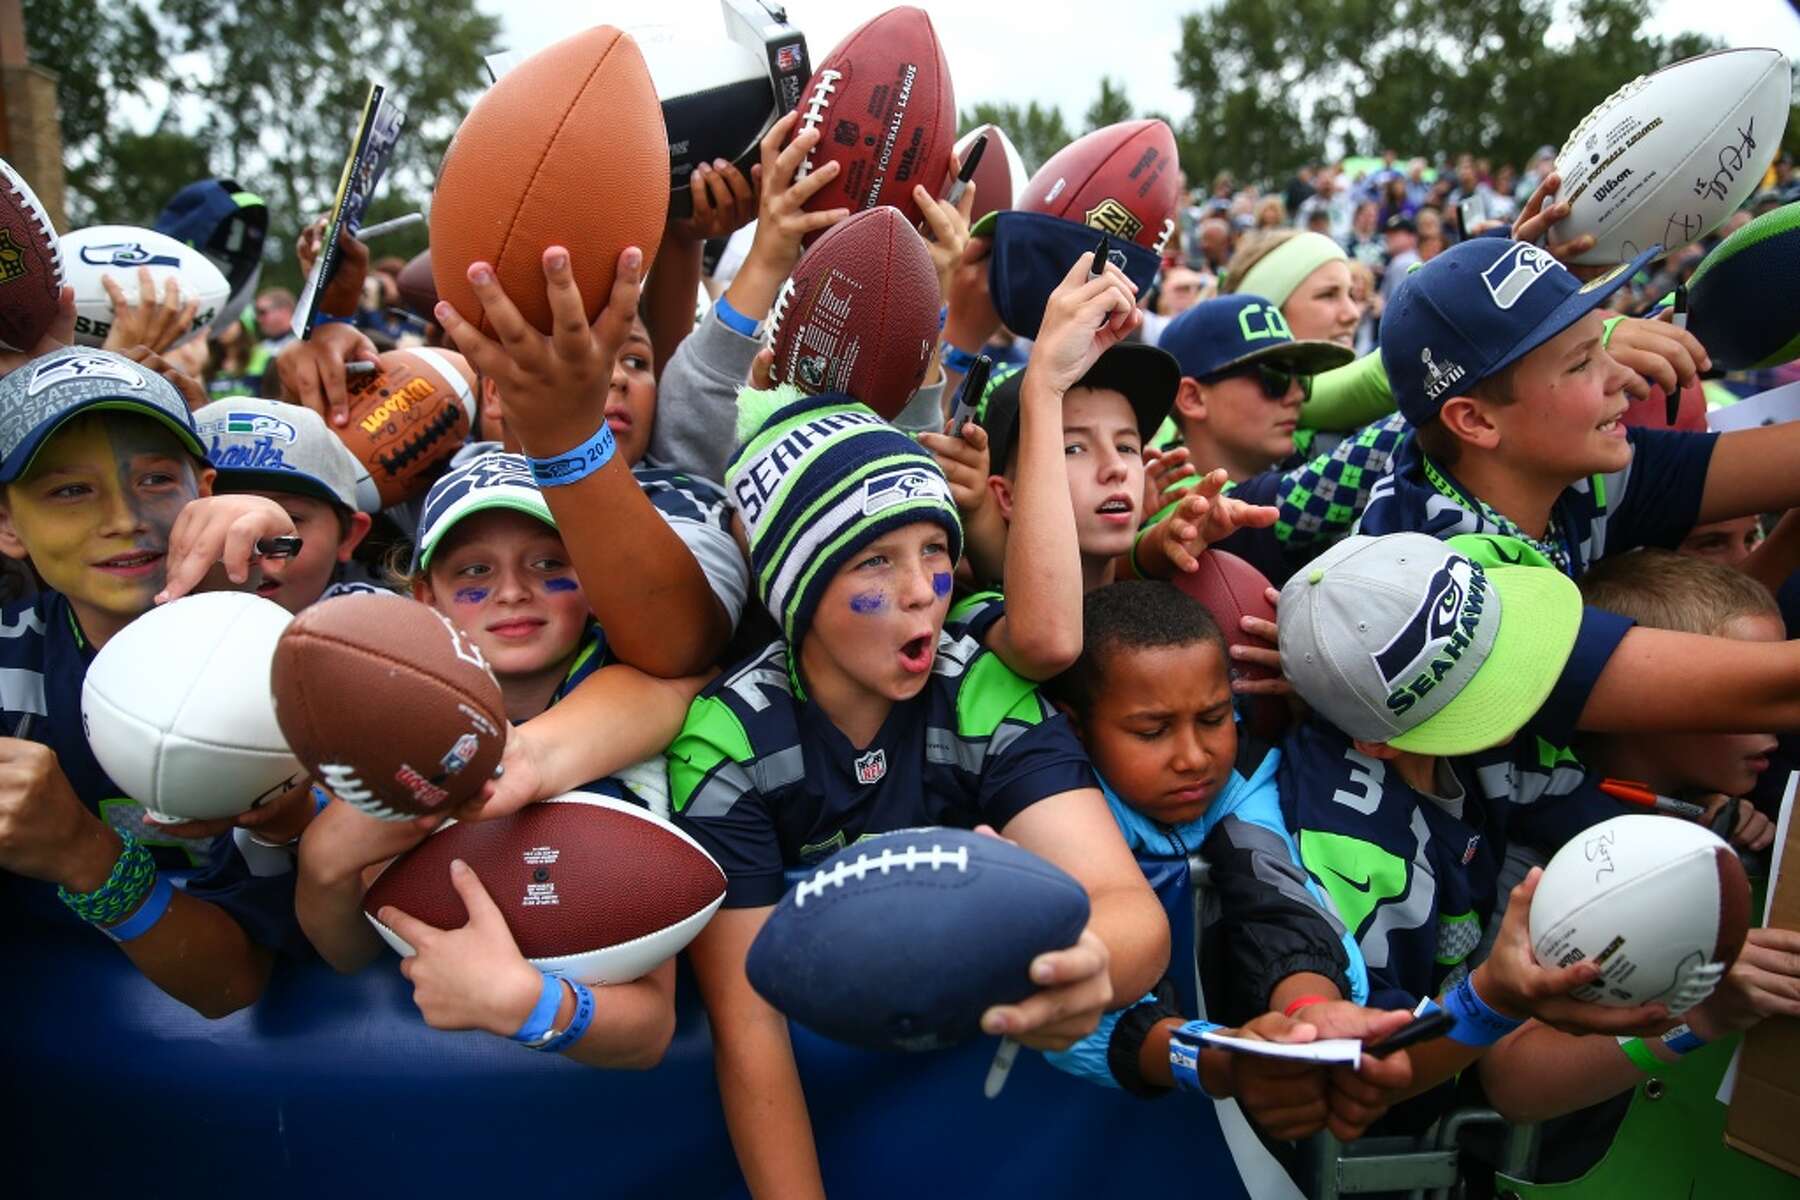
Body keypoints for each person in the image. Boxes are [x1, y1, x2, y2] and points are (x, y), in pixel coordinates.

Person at [668, 386, 1169, 1199]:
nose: (920, 590)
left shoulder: (980, 688)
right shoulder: (727, 742)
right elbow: (751, 1029)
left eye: (936, 549)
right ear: (797, 589)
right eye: (874, 560)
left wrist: (1088, 965)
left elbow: (1128, 906)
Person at [295, 453, 707, 1066]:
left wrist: (528, 1004)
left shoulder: (624, 716)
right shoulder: (387, 723)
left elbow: (648, 1029)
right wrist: (322, 867)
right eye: (475, 570)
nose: (513, 592)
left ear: (593, 579)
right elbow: (348, 954)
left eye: (548, 564)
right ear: (425, 597)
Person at [1041, 580, 1416, 1145]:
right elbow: (1060, 1002)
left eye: (1215, 718)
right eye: (1153, 730)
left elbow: (1278, 894)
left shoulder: (1246, 780)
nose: (1194, 758)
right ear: (1075, 728)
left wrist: (1309, 1010)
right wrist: (1215, 1058)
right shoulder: (1053, 808)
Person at [0, 346, 310, 1018]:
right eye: (70, 490)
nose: (123, 518)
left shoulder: (291, 653)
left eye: (155, 480)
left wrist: (83, 852)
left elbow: (235, 983)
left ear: (205, 490)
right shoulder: (7, 667)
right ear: (6, 523)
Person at [191, 397, 375, 612]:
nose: (251, 538)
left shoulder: (379, 628)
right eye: (220, 516)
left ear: (349, 537)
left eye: (290, 518)